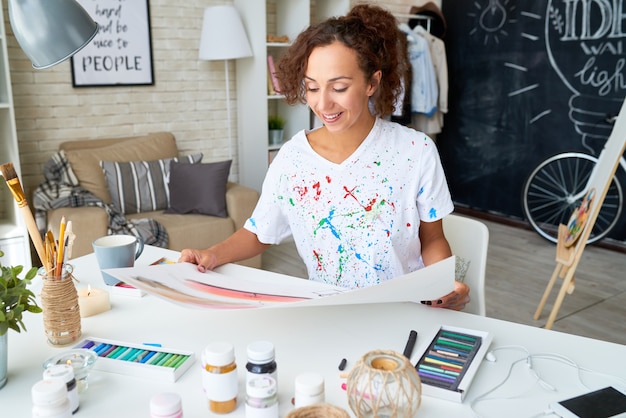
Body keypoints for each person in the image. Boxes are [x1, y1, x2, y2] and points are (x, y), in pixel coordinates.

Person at [180, 4, 470, 310]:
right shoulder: (293, 159)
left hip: (408, 308)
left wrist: (443, 285)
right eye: (312, 88)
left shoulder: (415, 151)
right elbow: (258, 231)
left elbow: (433, 238)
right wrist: (212, 254)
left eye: (339, 87)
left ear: (372, 82)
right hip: (330, 311)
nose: (323, 104)